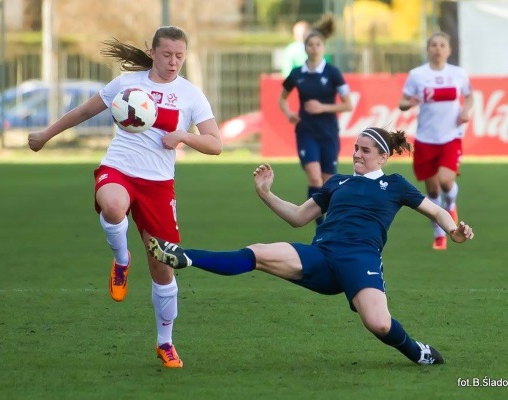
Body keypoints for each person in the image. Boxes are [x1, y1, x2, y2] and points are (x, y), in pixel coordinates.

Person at [147, 127, 475, 366]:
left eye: (365, 150)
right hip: (320, 255)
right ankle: (183, 257)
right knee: (259, 252)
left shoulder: (395, 185)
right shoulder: (338, 182)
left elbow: (436, 209)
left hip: (360, 261)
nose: (357, 154)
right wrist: (266, 194)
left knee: (379, 324)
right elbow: (299, 217)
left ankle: (418, 352)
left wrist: (453, 230)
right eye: (356, 148)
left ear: (384, 157)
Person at [28, 26, 223, 368]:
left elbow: (215, 144)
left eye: (180, 55)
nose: (173, 61)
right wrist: (46, 134)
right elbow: (84, 112)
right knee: (114, 206)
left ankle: (165, 342)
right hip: (119, 168)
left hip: (159, 185)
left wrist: (183, 136)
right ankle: (121, 260)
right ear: (152, 51)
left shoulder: (191, 95)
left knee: (163, 271)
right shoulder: (127, 83)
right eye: (166, 54)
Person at [399, 31, 473, 250]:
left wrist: (466, 111)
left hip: (451, 136)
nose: (438, 48)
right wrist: (410, 102)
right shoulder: (417, 75)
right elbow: (402, 102)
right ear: (428, 49)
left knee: (446, 181)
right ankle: (438, 233)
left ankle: (450, 204)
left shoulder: (458, 74)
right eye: (433, 45)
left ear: (449, 50)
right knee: (431, 191)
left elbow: (469, 96)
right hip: (425, 139)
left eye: (442, 45)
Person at [279, 13, 353, 225]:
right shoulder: (297, 73)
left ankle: (327, 222)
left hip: (328, 131)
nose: (314, 47)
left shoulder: (333, 73)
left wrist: (323, 107)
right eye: (310, 44)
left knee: (328, 183)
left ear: (323, 46)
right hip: (306, 131)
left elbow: (348, 104)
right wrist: (288, 113)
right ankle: (320, 226)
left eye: (318, 44)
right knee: (314, 177)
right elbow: (282, 99)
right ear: (305, 47)